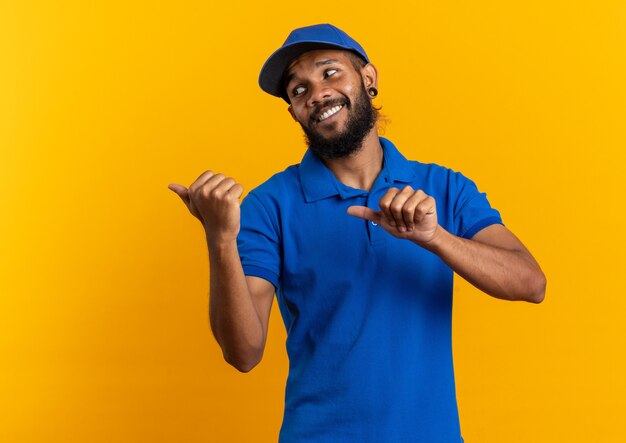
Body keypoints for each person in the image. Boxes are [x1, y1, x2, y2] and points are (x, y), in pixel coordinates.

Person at [168, 23, 546, 443]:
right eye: (298, 90)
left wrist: (435, 237)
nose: (317, 94)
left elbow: (531, 283)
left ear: (368, 78)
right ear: (293, 111)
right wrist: (220, 239)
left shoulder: (444, 187)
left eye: (330, 73)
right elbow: (244, 353)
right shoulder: (269, 205)